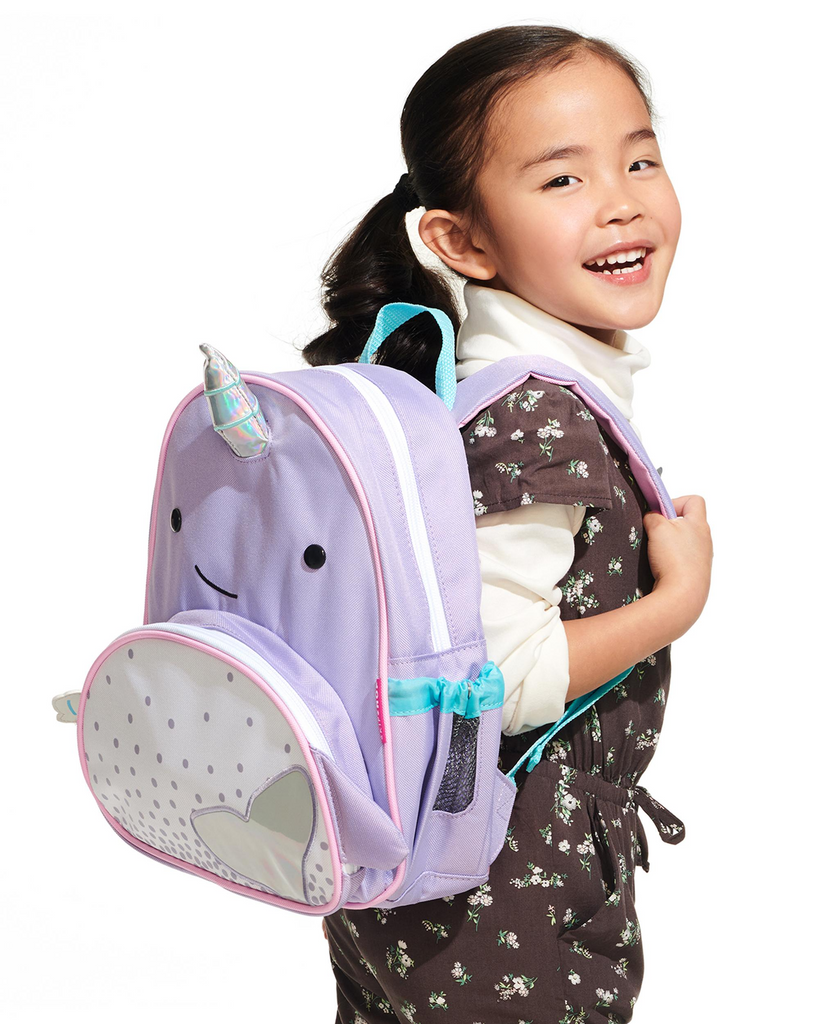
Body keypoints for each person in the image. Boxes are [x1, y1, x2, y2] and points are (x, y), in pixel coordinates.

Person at [300, 24, 713, 1024]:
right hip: (504, 906)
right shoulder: (536, 417)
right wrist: (678, 601)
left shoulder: (462, 388)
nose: (620, 200)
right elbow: (502, 679)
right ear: (461, 242)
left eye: (639, 159)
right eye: (562, 179)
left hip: (416, 879)